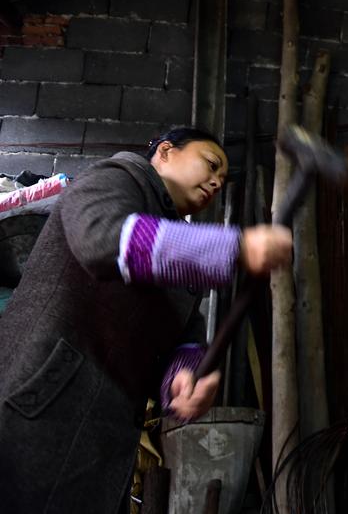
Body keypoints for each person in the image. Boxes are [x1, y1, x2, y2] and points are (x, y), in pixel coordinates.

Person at [0, 127, 293, 513]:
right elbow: (101, 239)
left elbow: (182, 339)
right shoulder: (117, 176)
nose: (215, 182)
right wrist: (234, 246)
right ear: (167, 152)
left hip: (105, 436)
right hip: (39, 402)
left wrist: (185, 380)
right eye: (210, 164)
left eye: (222, 181)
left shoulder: (180, 254)